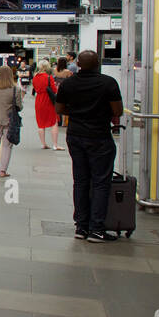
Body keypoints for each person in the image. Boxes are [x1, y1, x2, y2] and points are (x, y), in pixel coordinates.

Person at [55, 50, 124, 242]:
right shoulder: (108, 83)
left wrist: (77, 112)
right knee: (101, 183)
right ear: (97, 64)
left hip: (75, 136)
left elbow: (59, 109)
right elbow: (117, 110)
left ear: (78, 63)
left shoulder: (69, 83)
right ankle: (96, 229)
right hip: (99, 136)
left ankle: (81, 227)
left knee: (81, 181)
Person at [31, 60, 62, 150]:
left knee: (41, 124)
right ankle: (55, 145)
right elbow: (54, 90)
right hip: (48, 100)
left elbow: (35, 88)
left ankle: (43, 144)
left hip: (39, 100)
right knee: (54, 122)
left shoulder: (35, 77)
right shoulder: (49, 77)